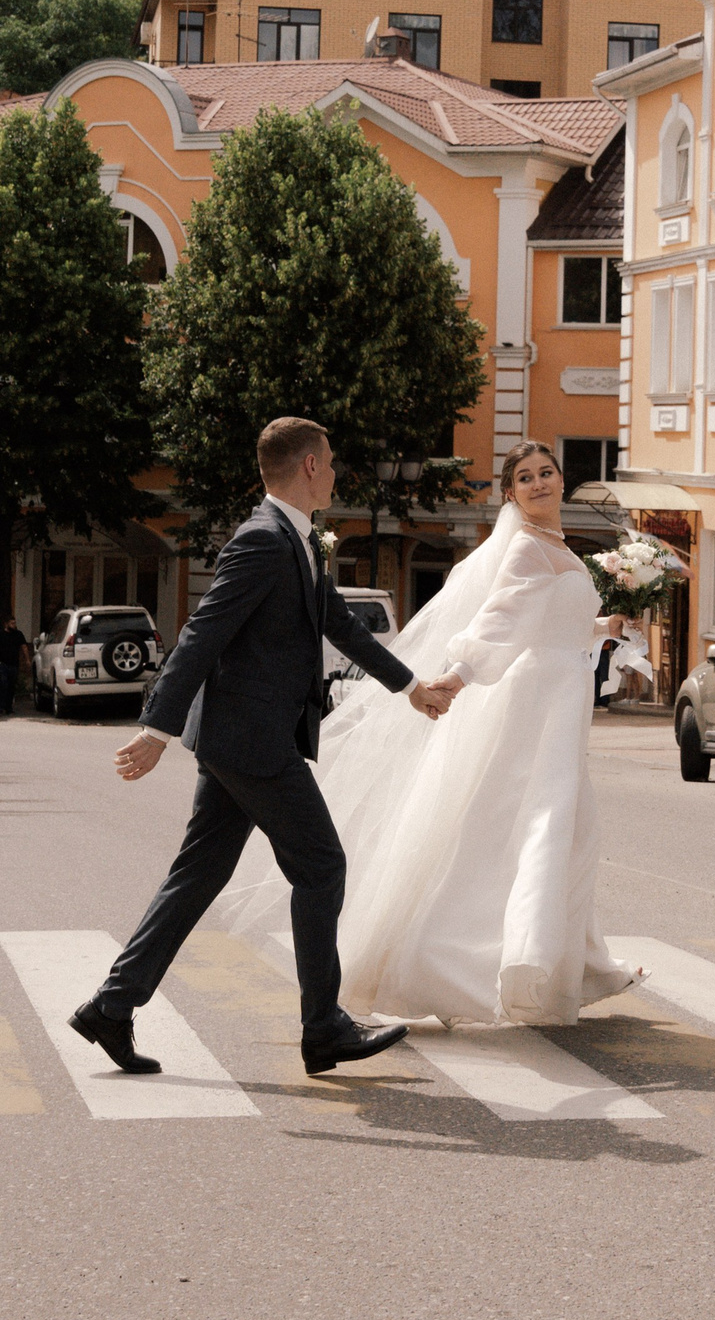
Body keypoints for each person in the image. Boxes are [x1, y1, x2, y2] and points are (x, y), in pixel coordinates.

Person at [73, 418, 458, 1080]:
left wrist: (410, 687)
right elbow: (202, 633)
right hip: (252, 740)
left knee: (199, 873)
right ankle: (323, 1027)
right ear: (308, 466)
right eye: (329, 461)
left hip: (242, 737)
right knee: (321, 865)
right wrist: (156, 729)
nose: (335, 473)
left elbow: (339, 625)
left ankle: (112, 1006)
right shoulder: (262, 541)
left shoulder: (296, 540)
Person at [220, 440, 643, 1027]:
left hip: (563, 704)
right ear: (510, 493)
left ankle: (573, 963)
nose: (539, 483)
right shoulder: (526, 547)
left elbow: (550, 621)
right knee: (541, 827)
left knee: (571, 831)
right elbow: (500, 621)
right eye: (525, 477)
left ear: (562, 480)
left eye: (546, 472)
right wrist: (457, 676)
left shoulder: (558, 546)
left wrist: (604, 625)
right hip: (538, 711)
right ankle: (500, 966)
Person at [0, 616, 27, 716]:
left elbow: (24, 647)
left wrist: (27, 659)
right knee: (2, 684)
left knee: (11, 686)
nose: (14, 625)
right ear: (6, 624)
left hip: (14, 664)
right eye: (12, 623)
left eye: (15, 623)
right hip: (2, 663)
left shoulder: (18, 634)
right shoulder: (0, 634)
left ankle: (9, 708)